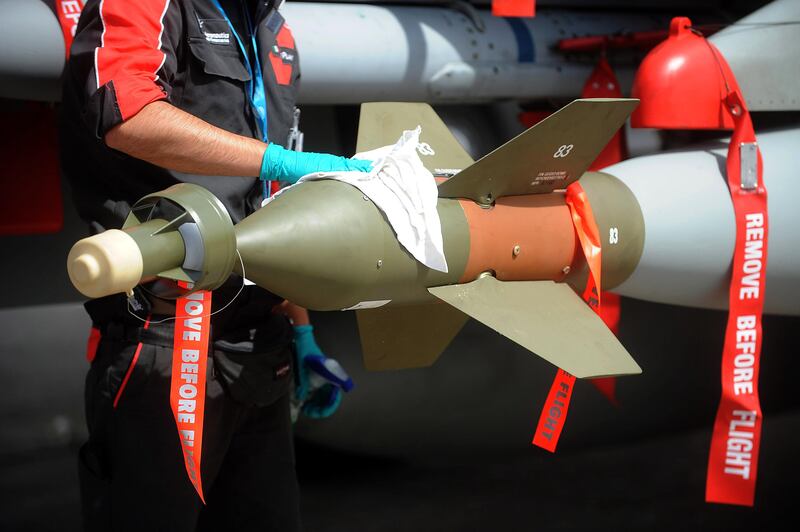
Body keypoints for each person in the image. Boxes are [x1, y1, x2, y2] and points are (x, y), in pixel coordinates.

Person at [59, 1, 368, 530]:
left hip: (259, 353)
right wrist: (276, 158)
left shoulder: (273, 29)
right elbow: (125, 112)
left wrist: (301, 332)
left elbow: (270, 205)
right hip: (167, 341)